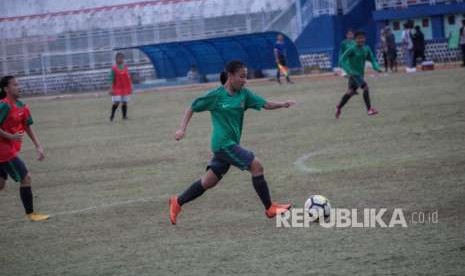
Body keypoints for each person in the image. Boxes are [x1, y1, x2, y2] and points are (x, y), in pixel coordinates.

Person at [169, 60, 296, 225]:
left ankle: (177, 202)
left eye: (246, 77)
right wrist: (182, 129)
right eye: (241, 77)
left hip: (229, 145)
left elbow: (265, 104)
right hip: (223, 144)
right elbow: (192, 107)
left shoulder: (245, 94)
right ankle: (270, 208)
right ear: (230, 76)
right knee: (256, 166)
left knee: (209, 181)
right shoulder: (216, 96)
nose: (245, 80)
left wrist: (284, 104)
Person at [0, 76, 49, 221]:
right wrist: (10, 136)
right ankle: (31, 214)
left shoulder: (22, 106)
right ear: (6, 89)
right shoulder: (4, 105)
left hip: (8, 149)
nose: (18, 87)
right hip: (3, 151)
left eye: (18, 84)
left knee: (1, 184)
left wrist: (38, 146)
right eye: (15, 85)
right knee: (26, 178)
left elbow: (27, 126)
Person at [335, 31, 382, 119]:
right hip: (354, 74)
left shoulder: (366, 49)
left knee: (350, 92)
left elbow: (372, 59)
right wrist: (348, 70)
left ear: (365, 39)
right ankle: (369, 110)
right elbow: (342, 59)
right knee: (365, 87)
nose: (361, 40)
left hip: (360, 74)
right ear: (355, 39)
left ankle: (339, 107)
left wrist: (376, 67)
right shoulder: (352, 49)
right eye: (359, 38)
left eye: (362, 38)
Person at [109, 52, 133, 121]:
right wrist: (111, 88)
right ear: (116, 59)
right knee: (117, 102)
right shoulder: (113, 68)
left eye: (122, 58)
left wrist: (131, 86)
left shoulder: (125, 67)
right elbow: (111, 78)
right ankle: (112, 116)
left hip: (125, 87)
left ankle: (124, 116)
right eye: (119, 58)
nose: (120, 59)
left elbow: (128, 77)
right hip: (117, 88)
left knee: (125, 102)